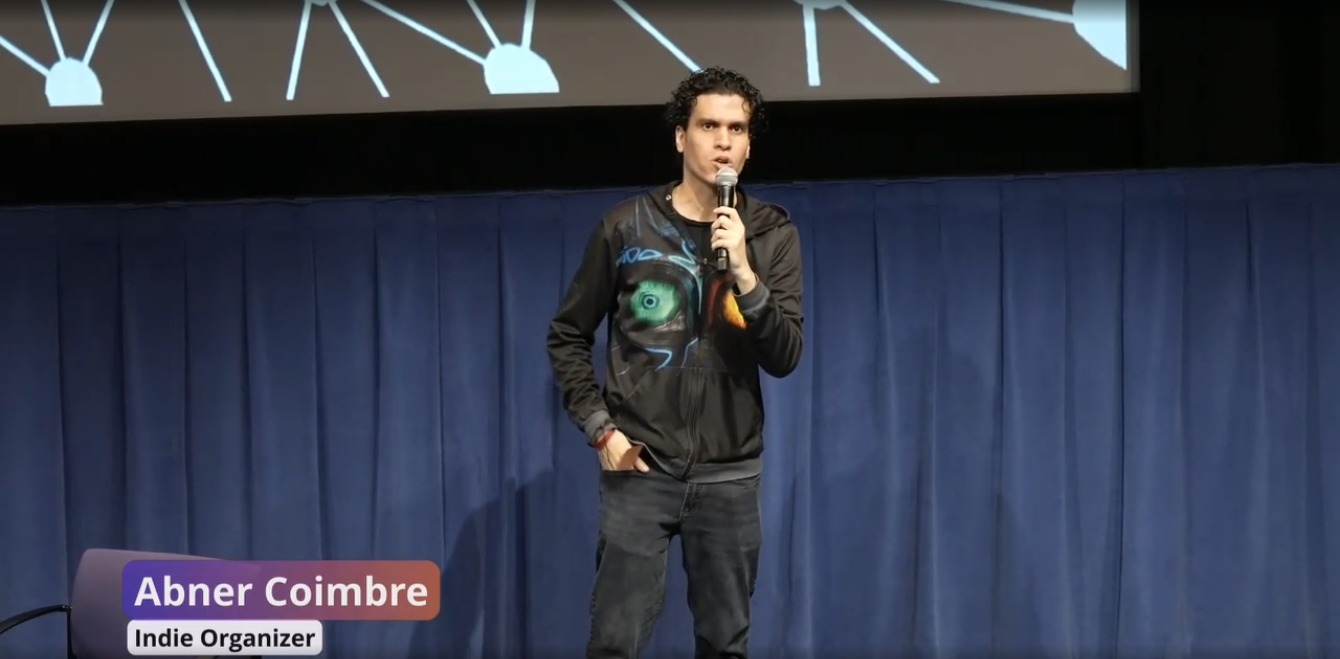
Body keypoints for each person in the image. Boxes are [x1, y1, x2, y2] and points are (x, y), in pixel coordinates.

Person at [546, 66, 805, 659]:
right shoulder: (626, 226)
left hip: (730, 479)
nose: (723, 142)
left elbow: (785, 354)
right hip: (642, 470)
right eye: (709, 126)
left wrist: (745, 274)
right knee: (614, 643)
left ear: (748, 145)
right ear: (681, 137)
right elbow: (567, 335)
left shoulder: (770, 234)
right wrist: (601, 430)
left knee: (725, 645)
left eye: (736, 129)